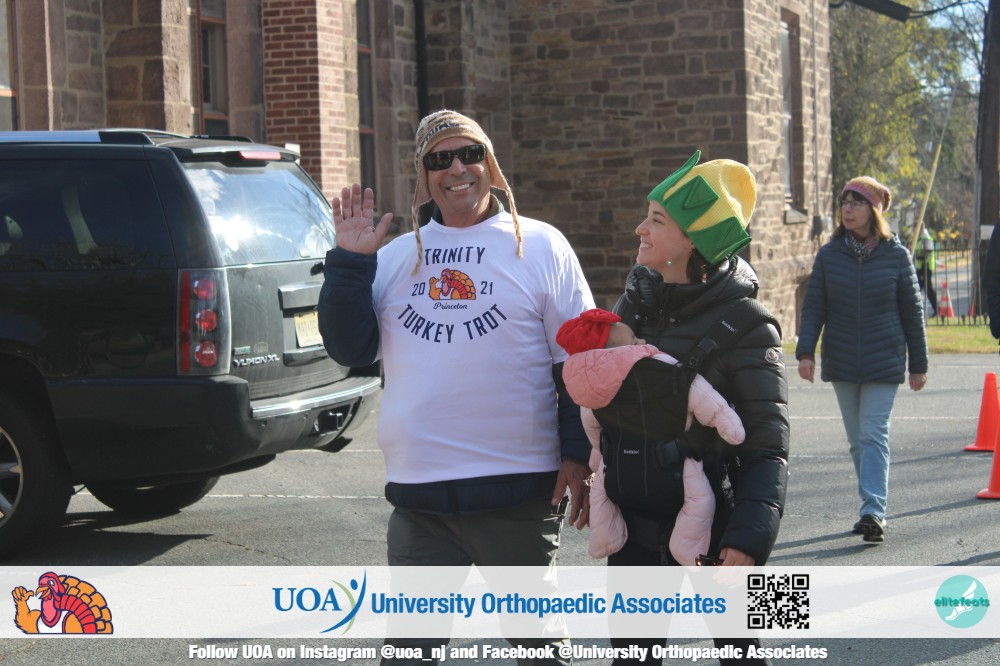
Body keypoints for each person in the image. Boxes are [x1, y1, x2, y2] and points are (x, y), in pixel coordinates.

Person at [317, 109, 595, 665]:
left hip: (516, 491)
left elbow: (579, 357)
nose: (457, 169)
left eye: (469, 154)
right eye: (439, 159)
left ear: (490, 163)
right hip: (420, 498)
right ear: (424, 175)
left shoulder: (540, 246)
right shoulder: (394, 257)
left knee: (540, 648)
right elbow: (351, 349)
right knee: (409, 650)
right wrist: (349, 263)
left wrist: (578, 452)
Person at [598, 150, 789, 666]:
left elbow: (768, 447)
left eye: (657, 220)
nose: (640, 229)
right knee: (631, 658)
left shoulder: (752, 324)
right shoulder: (632, 304)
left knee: (745, 657)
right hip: (637, 529)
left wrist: (749, 541)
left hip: (724, 529)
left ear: (693, 241)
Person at [555, 308, 746, 566]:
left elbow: (594, 431)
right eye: (634, 341)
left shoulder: (593, 392)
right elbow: (706, 400)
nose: (643, 341)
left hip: (619, 471)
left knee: (602, 492)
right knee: (700, 500)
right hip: (677, 470)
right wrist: (731, 428)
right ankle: (687, 545)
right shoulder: (666, 368)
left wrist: (598, 458)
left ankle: (605, 535)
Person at [796, 176, 928, 544]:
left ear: (873, 210)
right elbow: (814, 307)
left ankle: (873, 510)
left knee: (873, 434)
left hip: (884, 359)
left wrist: (919, 364)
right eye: (845, 202)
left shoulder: (896, 255)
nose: (848, 209)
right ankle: (870, 504)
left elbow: (913, 312)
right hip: (842, 359)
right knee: (857, 441)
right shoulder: (829, 254)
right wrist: (806, 352)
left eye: (856, 203)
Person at [913, 225, 938, 317]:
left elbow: (926, 254)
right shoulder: (919, 238)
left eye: (915, 229)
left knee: (927, 289)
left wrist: (915, 256)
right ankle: (915, 311)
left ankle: (937, 309)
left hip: (925, 267)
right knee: (917, 289)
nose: (913, 231)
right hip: (920, 267)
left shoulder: (926, 238)